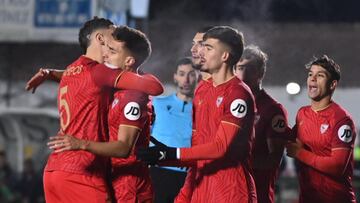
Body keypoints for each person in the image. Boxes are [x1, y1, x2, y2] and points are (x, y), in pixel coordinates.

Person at [34, 18, 163, 203]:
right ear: (100, 39)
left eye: (113, 51)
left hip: (126, 185)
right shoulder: (101, 76)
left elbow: (124, 147)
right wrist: (49, 73)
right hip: (89, 172)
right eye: (108, 48)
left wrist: (81, 143)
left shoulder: (132, 95)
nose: (108, 55)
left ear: (128, 60)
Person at [137, 26, 257, 202]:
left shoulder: (238, 94)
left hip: (230, 191)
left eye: (208, 48)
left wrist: (170, 154)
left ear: (224, 56)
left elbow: (220, 148)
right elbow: (198, 150)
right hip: (201, 187)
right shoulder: (202, 90)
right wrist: (161, 156)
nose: (201, 52)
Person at [285, 55, 357, 203]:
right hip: (307, 198)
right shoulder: (302, 113)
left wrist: (299, 153)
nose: (312, 78)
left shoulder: (342, 120)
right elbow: (287, 139)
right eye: (310, 74)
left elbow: (337, 166)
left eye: (320, 75)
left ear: (332, 84)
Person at [234, 45, 290, 203]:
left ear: (260, 73)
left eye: (250, 69)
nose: (244, 74)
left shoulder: (272, 110)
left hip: (258, 195)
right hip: (229, 193)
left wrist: (236, 161)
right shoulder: (231, 105)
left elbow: (274, 160)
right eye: (240, 67)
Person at [149, 57, 198, 203]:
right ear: (175, 76)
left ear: (198, 76)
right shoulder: (157, 104)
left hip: (188, 175)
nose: (186, 80)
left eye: (191, 74)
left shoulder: (203, 108)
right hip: (158, 173)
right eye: (182, 74)